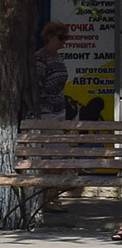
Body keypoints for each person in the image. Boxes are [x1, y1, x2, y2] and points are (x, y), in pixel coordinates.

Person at [35, 20, 70, 212]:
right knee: (52, 156)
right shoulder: (41, 58)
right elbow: (38, 87)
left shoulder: (58, 58)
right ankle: (49, 197)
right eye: (60, 37)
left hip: (59, 112)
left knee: (59, 156)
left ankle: (51, 195)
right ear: (50, 37)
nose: (63, 42)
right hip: (46, 114)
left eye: (66, 38)